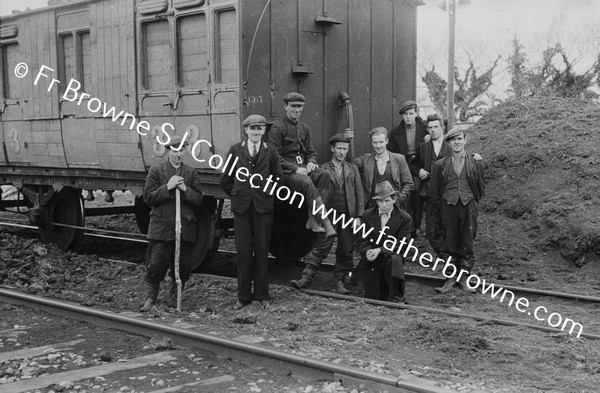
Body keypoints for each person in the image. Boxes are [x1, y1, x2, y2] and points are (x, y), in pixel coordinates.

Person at [221, 115, 283, 310]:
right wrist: (238, 193)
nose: (256, 132)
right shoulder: (235, 150)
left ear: (264, 131)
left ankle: (262, 295)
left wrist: (265, 192)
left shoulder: (270, 151)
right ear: (246, 130)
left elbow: (278, 179)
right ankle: (243, 296)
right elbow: (225, 179)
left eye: (260, 129)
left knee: (263, 251)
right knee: (243, 252)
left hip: (263, 208)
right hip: (242, 208)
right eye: (253, 129)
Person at [290, 133, 364, 292]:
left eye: (345, 149)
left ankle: (340, 283)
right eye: (339, 148)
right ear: (332, 149)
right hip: (328, 216)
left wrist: (358, 216)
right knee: (321, 248)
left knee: (345, 250)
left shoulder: (353, 169)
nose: (342, 152)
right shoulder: (321, 170)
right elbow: (313, 195)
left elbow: (359, 194)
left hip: (347, 217)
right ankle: (305, 279)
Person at [140, 135, 204, 312]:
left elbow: (199, 200)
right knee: (156, 265)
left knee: (183, 268)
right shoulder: (156, 170)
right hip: (162, 227)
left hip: (184, 228)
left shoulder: (191, 173)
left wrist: (185, 190)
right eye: (175, 150)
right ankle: (150, 299)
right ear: (168, 151)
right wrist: (167, 187)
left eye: (181, 150)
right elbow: (148, 197)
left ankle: (174, 300)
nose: (178, 154)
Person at [267, 92, 335, 237]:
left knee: (324, 174)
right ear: (286, 107)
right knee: (306, 181)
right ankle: (326, 223)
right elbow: (274, 157)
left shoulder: (304, 127)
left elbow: (311, 151)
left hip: (303, 168)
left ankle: (312, 219)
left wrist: (311, 162)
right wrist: (296, 169)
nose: (297, 110)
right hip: (285, 172)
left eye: (300, 107)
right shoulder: (277, 128)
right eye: (293, 106)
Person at [429, 128, 485, 293]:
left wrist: (470, 199)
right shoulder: (439, 165)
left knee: (467, 242)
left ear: (465, 140)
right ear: (448, 143)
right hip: (448, 206)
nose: (457, 142)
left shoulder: (475, 162)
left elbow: (480, 189)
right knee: (449, 242)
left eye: (459, 139)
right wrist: (445, 204)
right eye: (453, 140)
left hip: (468, 205)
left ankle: (464, 278)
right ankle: (450, 278)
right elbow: (435, 192)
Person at [356, 181, 412, 303]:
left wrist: (380, 250)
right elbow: (362, 240)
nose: (384, 205)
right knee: (374, 296)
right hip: (372, 259)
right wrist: (367, 251)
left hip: (391, 257)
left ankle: (396, 297)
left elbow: (400, 244)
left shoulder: (404, 218)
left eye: (387, 201)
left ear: (394, 199)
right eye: (380, 201)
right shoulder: (367, 215)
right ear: (376, 201)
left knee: (394, 260)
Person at [388, 100, 429, 237]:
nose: (408, 117)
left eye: (411, 113)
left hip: (419, 165)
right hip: (402, 165)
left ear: (416, 113)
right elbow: (391, 153)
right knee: (403, 192)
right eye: (405, 114)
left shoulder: (426, 130)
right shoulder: (395, 133)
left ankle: (417, 225)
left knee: (416, 190)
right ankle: (406, 228)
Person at [355, 127, 413, 211]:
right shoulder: (366, 159)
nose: (378, 146)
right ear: (371, 143)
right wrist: (348, 139)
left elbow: (409, 183)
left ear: (387, 141)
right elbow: (350, 165)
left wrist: (398, 200)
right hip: (372, 208)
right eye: (375, 143)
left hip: (394, 208)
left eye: (381, 142)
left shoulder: (398, 159)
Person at [416, 114, 450, 254]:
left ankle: (451, 260)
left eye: (436, 127)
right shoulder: (424, 146)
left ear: (442, 128)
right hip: (430, 194)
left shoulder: (450, 146)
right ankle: (445, 257)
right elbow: (415, 164)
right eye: (430, 127)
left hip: (448, 194)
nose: (433, 130)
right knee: (431, 232)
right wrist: (419, 170)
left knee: (448, 228)